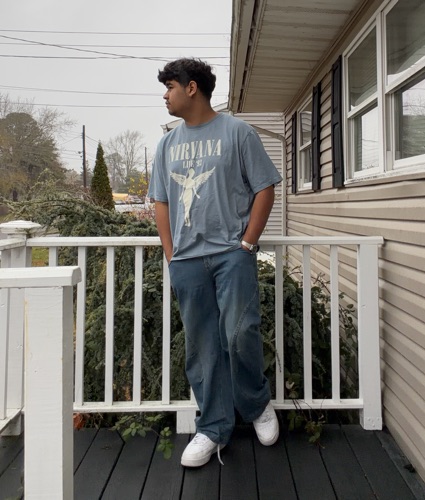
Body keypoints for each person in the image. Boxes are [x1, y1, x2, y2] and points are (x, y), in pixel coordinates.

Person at [148, 58, 282, 468]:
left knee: (240, 334)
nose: (165, 96)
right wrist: (171, 255)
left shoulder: (238, 132)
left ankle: (256, 404)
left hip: (231, 255)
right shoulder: (166, 145)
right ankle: (212, 427)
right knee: (201, 345)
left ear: (192, 88)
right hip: (187, 261)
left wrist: (247, 243)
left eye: (170, 87)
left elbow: (265, 188)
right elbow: (161, 201)